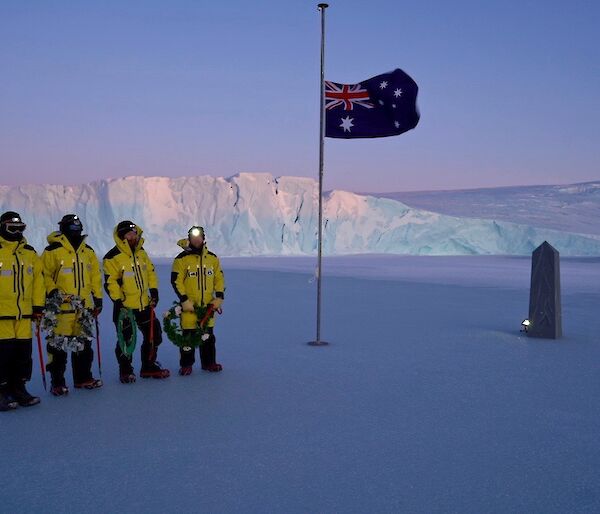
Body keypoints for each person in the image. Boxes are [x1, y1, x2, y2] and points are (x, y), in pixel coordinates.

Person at [42, 214, 103, 395]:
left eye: (78, 226)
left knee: (83, 345)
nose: (76, 230)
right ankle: (57, 382)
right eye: (72, 226)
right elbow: (43, 274)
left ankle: (83, 378)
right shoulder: (52, 251)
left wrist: (97, 299)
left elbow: (95, 278)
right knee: (58, 345)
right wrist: (52, 291)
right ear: (63, 228)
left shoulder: (88, 251)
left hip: (83, 308)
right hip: (61, 309)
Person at [103, 220, 169, 383]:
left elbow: (151, 273)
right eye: (129, 234)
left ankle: (148, 366)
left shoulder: (141, 253)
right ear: (121, 236)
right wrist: (118, 301)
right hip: (126, 307)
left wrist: (153, 291)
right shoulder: (112, 257)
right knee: (126, 340)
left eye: (134, 233)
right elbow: (111, 281)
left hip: (145, 304)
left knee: (155, 335)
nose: (133, 237)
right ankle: (126, 371)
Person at [0, 211, 45, 411]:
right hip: (2, 315)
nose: (16, 232)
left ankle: (19, 389)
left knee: (23, 354)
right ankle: (2, 392)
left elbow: (38, 282)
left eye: (20, 228)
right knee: (3, 355)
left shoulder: (29, 253)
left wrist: (38, 306)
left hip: (25, 314)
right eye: (12, 228)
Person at [170, 226, 225, 375]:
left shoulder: (212, 258)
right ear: (189, 239)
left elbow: (219, 278)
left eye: (199, 237)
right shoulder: (181, 259)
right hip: (189, 307)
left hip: (207, 306)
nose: (196, 240)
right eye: (193, 238)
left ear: (203, 239)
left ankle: (209, 363)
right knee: (188, 338)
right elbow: (176, 281)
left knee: (208, 337)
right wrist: (184, 300)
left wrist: (219, 296)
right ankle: (186, 364)